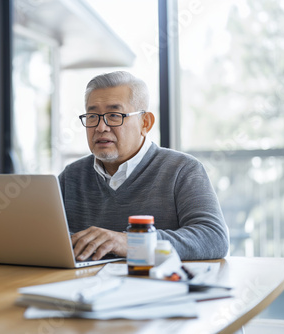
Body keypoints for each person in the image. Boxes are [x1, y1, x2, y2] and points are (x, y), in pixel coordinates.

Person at [58, 71, 229, 261]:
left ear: (145, 123)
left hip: (156, 286)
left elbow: (213, 238)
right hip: (81, 286)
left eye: (114, 115)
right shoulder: (71, 177)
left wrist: (130, 242)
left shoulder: (183, 170)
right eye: (92, 116)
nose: (100, 127)